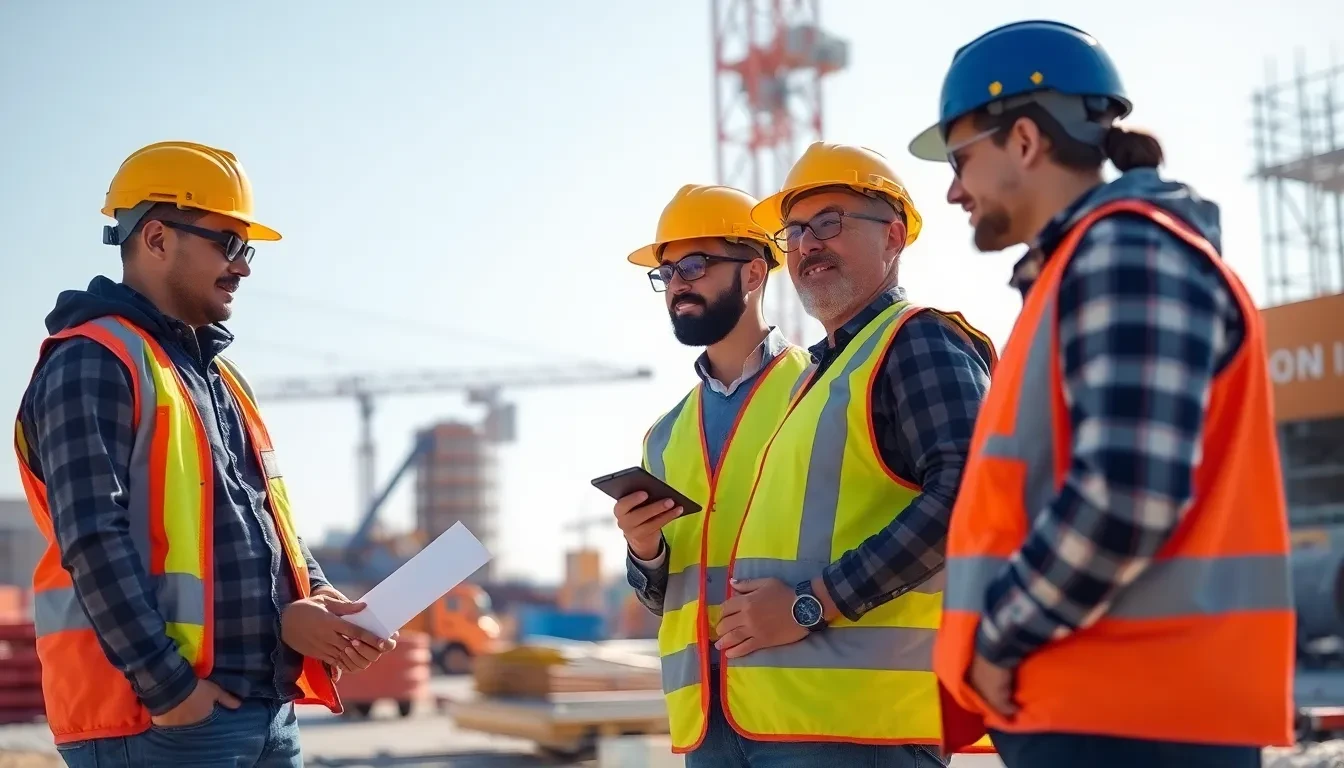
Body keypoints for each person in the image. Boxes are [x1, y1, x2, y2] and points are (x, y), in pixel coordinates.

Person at [908, 20, 1293, 768]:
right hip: (1108, 711)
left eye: (961, 160)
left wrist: (999, 637)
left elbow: (1127, 494)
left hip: (1135, 720)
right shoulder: (1080, 270)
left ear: (1024, 141)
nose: (954, 190)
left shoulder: (1124, 252)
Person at [14, 141, 398, 768]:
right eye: (228, 244)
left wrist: (318, 596)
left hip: (261, 710)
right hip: (157, 723)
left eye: (246, 250)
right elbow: (92, 538)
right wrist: (172, 692)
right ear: (158, 238)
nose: (243, 267)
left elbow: (262, 525)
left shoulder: (219, 381)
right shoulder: (93, 360)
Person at [686, 142, 997, 766]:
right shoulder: (821, 378)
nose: (806, 245)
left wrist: (811, 602)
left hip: (866, 732)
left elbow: (972, 500)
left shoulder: (918, 340)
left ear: (893, 235)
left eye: (829, 222)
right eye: (795, 230)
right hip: (777, 722)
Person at [614, 184, 813, 765]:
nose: (677, 284)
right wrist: (643, 548)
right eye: (667, 272)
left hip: (806, 700)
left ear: (754, 274)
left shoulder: (822, 390)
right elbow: (663, 596)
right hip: (708, 716)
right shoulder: (666, 433)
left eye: (694, 265)